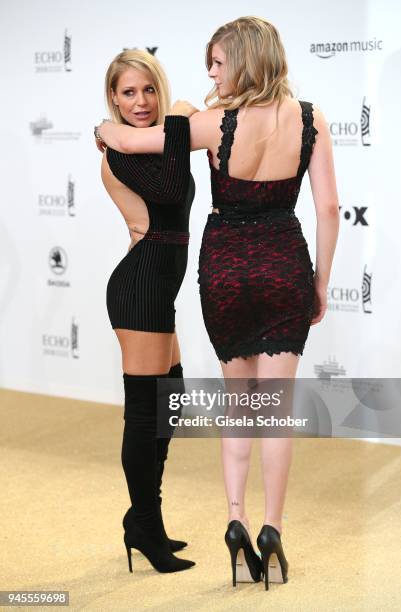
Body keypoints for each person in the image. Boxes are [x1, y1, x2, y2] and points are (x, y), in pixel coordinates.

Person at [96, 16, 339, 589]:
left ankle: (234, 519)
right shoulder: (312, 119)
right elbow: (328, 211)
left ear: (244, 62)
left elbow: (133, 138)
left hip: (225, 268)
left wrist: (108, 126)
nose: (210, 72)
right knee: (274, 412)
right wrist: (321, 283)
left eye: (218, 62)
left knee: (232, 404)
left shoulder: (211, 123)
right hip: (283, 263)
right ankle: (270, 529)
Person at [96, 49, 196, 574]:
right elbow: (174, 188)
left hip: (158, 289)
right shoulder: (119, 152)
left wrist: (177, 118)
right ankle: (145, 527)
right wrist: (178, 114)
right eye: (129, 92)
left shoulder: (155, 141)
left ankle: (144, 521)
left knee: (171, 401)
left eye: (149, 91)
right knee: (144, 416)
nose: (141, 102)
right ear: (113, 97)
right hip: (140, 288)